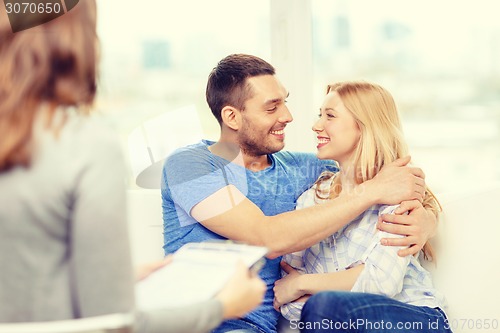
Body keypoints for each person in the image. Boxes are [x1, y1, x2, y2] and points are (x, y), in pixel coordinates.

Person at [0, 3, 265, 333]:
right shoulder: (86, 145)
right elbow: (115, 325)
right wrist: (222, 306)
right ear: (74, 43)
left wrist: (115, 278)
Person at [161, 54, 439, 333]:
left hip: (251, 327)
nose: (288, 117)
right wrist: (373, 191)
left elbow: (378, 169)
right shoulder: (192, 165)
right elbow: (266, 237)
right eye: (272, 108)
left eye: (285, 102)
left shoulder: (306, 170)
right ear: (232, 116)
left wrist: (427, 220)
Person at [273, 81, 451, 332]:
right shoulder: (310, 199)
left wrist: (303, 283)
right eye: (319, 115)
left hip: (414, 319)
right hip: (342, 324)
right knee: (324, 309)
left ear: (364, 126)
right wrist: (352, 277)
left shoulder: (397, 192)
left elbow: (381, 282)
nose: (316, 126)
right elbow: (287, 301)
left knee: (326, 306)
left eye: (330, 116)